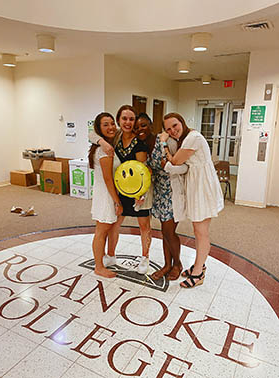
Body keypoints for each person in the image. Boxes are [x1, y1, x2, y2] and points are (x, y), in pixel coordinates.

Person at [160, 112, 224, 288]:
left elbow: (175, 161)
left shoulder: (193, 137)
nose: (173, 130)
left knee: (201, 232)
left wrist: (164, 144)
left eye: (175, 125)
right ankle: (198, 265)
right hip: (197, 185)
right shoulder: (187, 138)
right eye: (168, 129)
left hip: (203, 187)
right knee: (198, 230)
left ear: (182, 121)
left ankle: (198, 273)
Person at [89, 105, 151, 274]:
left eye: (131, 119)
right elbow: (92, 133)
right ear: (119, 121)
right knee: (114, 225)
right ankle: (110, 255)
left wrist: (142, 194)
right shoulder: (113, 139)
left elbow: (143, 170)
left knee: (144, 225)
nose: (128, 122)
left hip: (139, 191)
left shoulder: (139, 144)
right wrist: (101, 141)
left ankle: (145, 258)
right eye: (124, 119)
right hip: (118, 191)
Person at [134, 113, 188, 280]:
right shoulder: (141, 146)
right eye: (136, 127)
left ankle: (177, 264)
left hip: (172, 191)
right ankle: (167, 265)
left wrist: (169, 166)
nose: (140, 129)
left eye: (143, 125)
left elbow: (184, 166)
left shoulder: (166, 141)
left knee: (169, 231)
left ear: (151, 125)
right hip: (158, 192)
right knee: (165, 232)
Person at [88, 112, 123, 278]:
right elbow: (108, 179)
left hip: (107, 193)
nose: (110, 127)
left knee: (105, 229)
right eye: (105, 124)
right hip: (106, 195)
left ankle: (103, 261)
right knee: (101, 231)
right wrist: (117, 202)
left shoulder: (108, 144)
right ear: (99, 129)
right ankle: (98, 266)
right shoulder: (103, 150)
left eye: (111, 123)